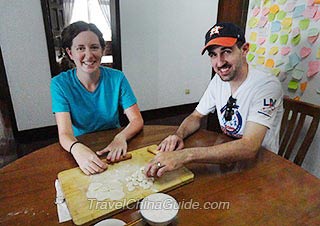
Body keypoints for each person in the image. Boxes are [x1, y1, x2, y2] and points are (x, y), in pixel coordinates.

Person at [145, 22, 283, 177]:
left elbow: (249, 146)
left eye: (227, 51)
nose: (219, 62)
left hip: (261, 164)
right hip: (228, 158)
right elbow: (196, 116)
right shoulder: (219, 81)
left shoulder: (267, 85)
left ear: (244, 49)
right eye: (213, 54)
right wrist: (179, 134)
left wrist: (186, 155)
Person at [50, 21, 143, 175]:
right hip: (80, 145)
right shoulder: (59, 84)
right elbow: (64, 134)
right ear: (70, 53)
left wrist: (121, 138)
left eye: (94, 47)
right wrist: (77, 148)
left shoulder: (117, 77)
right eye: (80, 48)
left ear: (102, 50)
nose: (89, 55)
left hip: (115, 142)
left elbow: (137, 120)